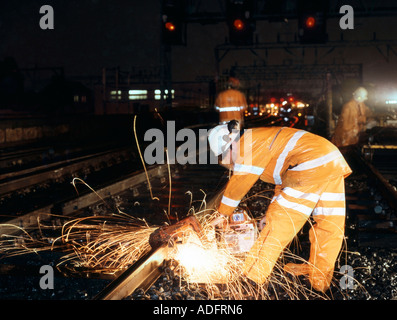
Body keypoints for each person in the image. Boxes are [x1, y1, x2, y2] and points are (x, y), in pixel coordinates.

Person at [208, 121, 352, 292]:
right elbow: (283, 181)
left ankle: (250, 278)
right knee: (330, 226)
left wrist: (223, 213)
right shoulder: (262, 139)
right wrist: (268, 214)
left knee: (278, 226)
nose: (230, 162)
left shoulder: (248, 143)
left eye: (226, 156)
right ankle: (319, 278)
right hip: (330, 162)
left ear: (230, 145)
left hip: (309, 165)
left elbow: (240, 181)